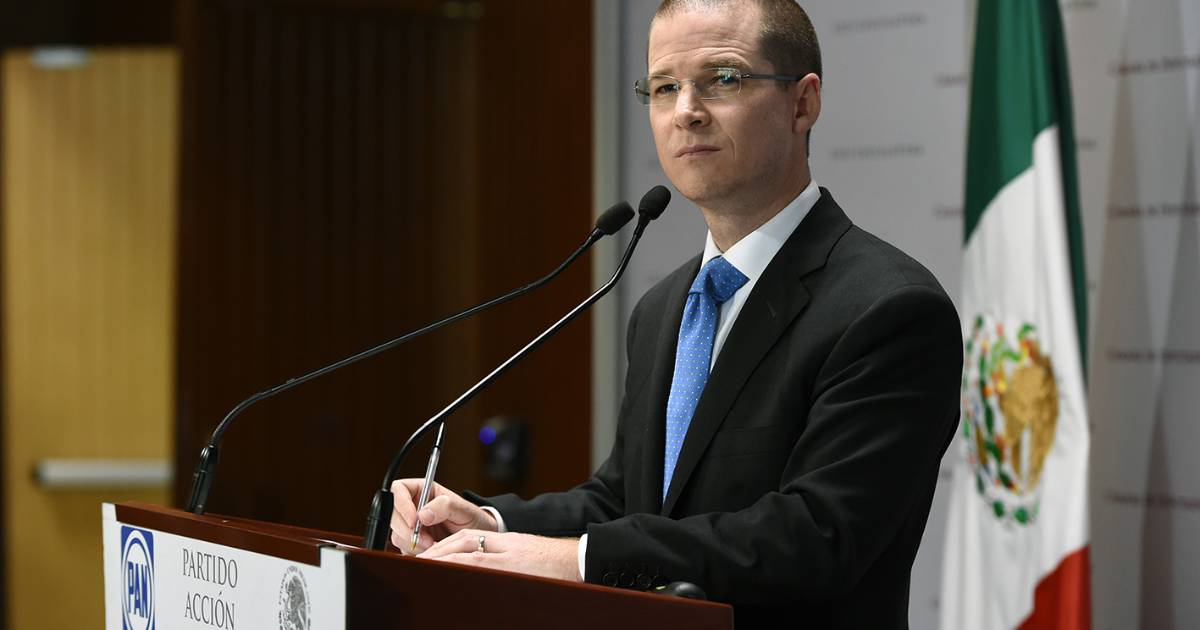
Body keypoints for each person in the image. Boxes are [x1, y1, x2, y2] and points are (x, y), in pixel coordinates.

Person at [389, 1, 962, 627]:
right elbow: (627, 500)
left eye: (723, 79)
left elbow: (816, 535)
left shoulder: (889, 309)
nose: (686, 110)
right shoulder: (664, 308)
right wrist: (490, 523)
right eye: (664, 87)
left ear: (802, 104)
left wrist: (577, 561)